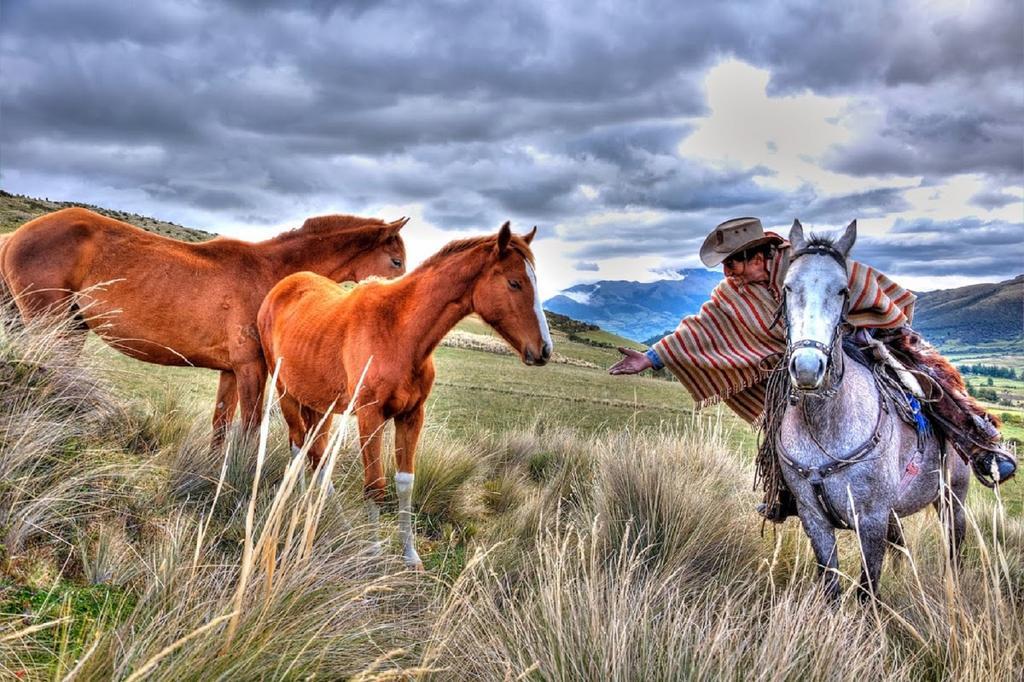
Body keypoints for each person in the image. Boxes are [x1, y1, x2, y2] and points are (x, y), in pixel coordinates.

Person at [609, 217, 1017, 522]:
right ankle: (785, 491)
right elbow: (703, 327)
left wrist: (871, 330)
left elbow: (864, 287)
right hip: (802, 355)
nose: (728, 272)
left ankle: (981, 445)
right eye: (725, 266)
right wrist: (651, 357)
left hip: (861, 335)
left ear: (760, 254)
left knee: (926, 379)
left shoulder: (809, 264)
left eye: (733, 262)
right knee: (777, 417)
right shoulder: (735, 293)